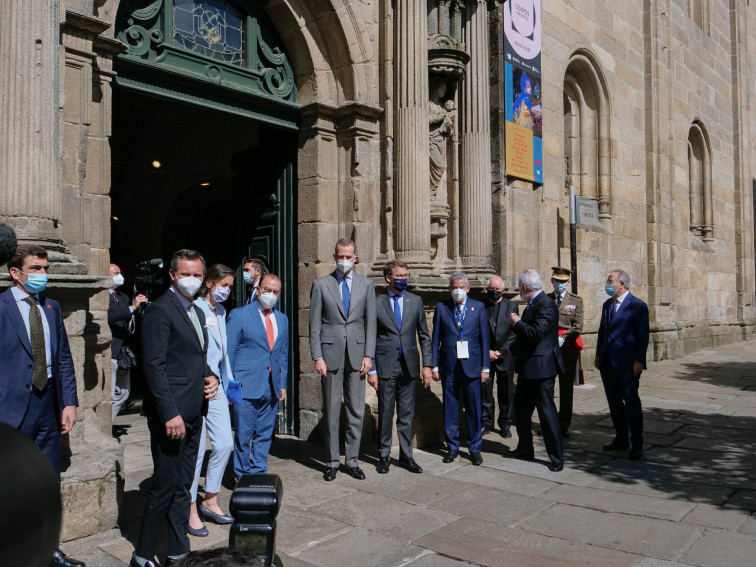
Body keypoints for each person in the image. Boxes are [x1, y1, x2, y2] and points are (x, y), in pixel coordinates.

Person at [131, 249, 220, 567]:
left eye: (197, 275)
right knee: (165, 486)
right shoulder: (159, 310)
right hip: (172, 416)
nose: (192, 281)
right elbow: (153, 366)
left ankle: (177, 551)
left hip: (196, 412)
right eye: (186, 274)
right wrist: (170, 413)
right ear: (172, 275)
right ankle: (142, 556)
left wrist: (211, 378)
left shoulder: (196, 312)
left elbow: (194, 358)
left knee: (184, 485)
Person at [0, 244, 86, 567]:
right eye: (35, 268)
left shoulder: (51, 307)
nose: (42, 275)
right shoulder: (2, 307)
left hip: (48, 406)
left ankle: (49, 549)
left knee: (48, 481)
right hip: (11, 411)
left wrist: (70, 403)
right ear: (15, 273)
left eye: (45, 268)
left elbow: (63, 358)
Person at [309, 238, 376, 481]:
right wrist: (317, 356)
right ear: (334, 256)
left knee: (356, 411)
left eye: (348, 257)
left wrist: (369, 355)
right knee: (332, 410)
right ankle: (331, 461)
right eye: (340, 256)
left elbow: (371, 324)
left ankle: (353, 460)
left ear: (355, 257)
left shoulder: (366, 285)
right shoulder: (321, 284)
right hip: (330, 356)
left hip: (358, 356)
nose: (344, 261)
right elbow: (314, 324)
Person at [368, 260, 432, 474]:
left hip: (409, 367)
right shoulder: (377, 302)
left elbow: (424, 336)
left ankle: (406, 456)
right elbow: (371, 338)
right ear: (389, 278)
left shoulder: (415, 301)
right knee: (386, 413)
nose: (403, 279)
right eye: (400, 276)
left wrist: (427, 366)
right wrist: (372, 369)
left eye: (405, 276)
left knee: (406, 414)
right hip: (385, 366)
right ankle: (384, 456)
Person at [187, 264, 236, 537]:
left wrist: (227, 385)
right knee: (194, 452)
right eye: (224, 285)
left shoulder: (221, 311)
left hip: (218, 387)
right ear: (209, 283)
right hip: (198, 385)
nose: (226, 291)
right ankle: (191, 507)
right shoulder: (194, 308)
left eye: (229, 286)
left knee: (224, 443)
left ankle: (211, 498)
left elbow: (222, 353)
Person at [227, 273, 288, 477]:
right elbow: (229, 351)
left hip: (271, 386)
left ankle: (260, 469)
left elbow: (283, 354)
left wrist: (282, 384)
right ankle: (241, 474)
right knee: (243, 434)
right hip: (246, 385)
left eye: (275, 292)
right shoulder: (240, 314)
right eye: (267, 290)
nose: (271, 294)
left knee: (264, 434)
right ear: (259, 289)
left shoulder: (282, 319)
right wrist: (230, 386)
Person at [506, 269, 565, 472]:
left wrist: (517, 323)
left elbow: (537, 333)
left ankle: (556, 457)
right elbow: (527, 340)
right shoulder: (533, 303)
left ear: (523, 287)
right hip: (527, 368)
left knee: (546, 414)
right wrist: (509, 351)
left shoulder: (545, 304)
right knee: (521, 412)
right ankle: (524, 448)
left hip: (541, 370)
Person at [431, 272, 489, 465]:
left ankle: (475, 448)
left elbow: (484, 340)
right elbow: (435, 339)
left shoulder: (478, 307)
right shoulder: (442, 307)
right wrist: (434, 365)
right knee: (450, 407)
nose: (458, 290)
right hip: (449, 365)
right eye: (454, 287)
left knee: (473, 407)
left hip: (472, 365)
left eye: (461, 287)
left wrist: (485, 368)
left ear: (468, 288)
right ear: (450, 289)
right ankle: (452, 447)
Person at [595, 269, 649, 461]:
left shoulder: (637, 306)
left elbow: (643, 336)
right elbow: (603, 332)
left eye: (610, 281)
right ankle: (620, 438)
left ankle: (637, 442)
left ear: (622, 283)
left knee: (631, 401)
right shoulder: (607, 305)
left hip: (627, 364)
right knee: (614, 402)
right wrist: (598, 356)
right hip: (608, 362)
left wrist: (639, 360)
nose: (607, 284)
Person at [0, 423, 62, 567]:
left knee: (48, 478)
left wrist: (69, 402)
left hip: (48, 409)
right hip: (9, 407)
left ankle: (50, 552)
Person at [108, 263, 148, 420]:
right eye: (115, 273)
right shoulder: (100, 296)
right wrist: (132, 308)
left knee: (123, 393)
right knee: (110, 393)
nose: (119, 276)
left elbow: (130, 321)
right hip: (111, 350)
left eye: (120, 272)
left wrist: (139, 307)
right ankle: (105, 429)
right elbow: (110, 316)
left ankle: (107, 423)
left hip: (123, 353)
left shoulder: (123, 297)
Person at [547, 266, 584, 437]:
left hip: (566, 348)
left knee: (566, 388)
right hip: (547, 348)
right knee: (547, 386)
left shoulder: (576, 301)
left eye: (563, 281)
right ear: (552, 280)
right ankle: (549, 421)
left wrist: (562, 339)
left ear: (568, 282)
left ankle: (563, 424)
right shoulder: (546, 299)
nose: (560, 284)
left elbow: (577, 326)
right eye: (557, 281)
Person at [482, 276, 518, 438]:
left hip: (505, 355)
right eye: (492, 289)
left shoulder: (512, 306)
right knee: (485, 391)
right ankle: (486, 422)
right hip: (486, 355)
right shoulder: (481, 306)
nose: (494, 292)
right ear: (487, 289)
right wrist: (487, 350)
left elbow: (514, 331)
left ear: (502, 290)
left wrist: (502, 350)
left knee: (506, 391)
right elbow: (477, 331)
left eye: (497, 289)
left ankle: (505, 424)